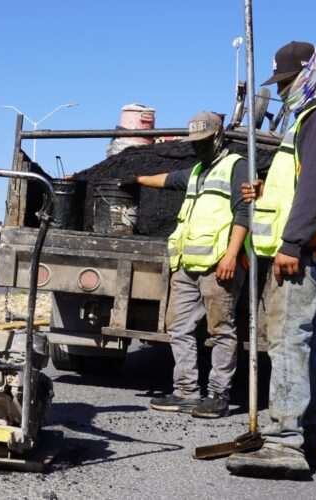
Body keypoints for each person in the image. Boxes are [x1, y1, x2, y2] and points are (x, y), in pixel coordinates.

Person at [226, 41, 316, 477]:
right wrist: (266, 191)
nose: (283, 89)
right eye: (280, 83)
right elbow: (301, 183)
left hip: (305, 251)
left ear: (309, 73)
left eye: (288, 81)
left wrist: (292, 243)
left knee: (287, 340)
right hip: (311, 247)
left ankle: (285, 440)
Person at [125, 111, 250, 419]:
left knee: (222, 330)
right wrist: (136, 179)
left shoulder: (237, 167)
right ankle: (185, 392)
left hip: (218, 265)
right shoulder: (197, 171)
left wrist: (231, 256)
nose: (198, 147)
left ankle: (218, 395)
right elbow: (169, 180)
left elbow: (245, 213)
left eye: (204, 141)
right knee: (179, 328)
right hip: (187, 264)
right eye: (195, 142)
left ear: (219, 136)